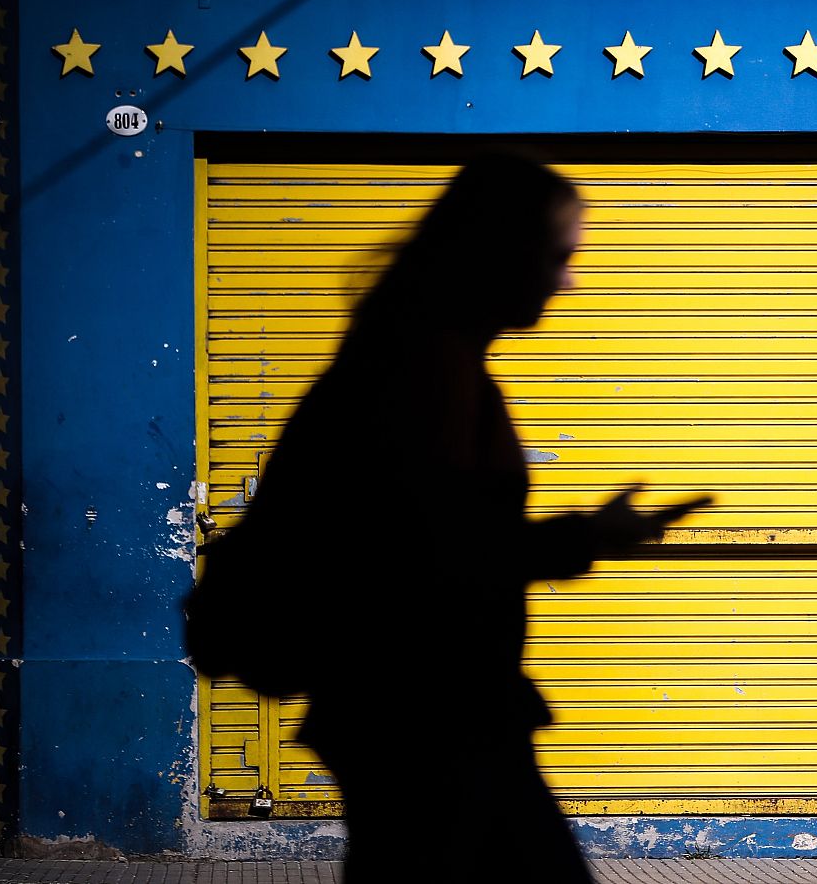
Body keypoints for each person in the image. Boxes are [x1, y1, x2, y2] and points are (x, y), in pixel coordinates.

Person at [238, 154, 709, 881]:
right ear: (498, 250)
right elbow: (424, 553)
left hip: (424, 712)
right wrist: (586, 536)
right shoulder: (423, 370)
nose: (569, 281)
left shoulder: (418, 355)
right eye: (558, 256)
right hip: (425, 716)